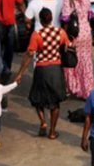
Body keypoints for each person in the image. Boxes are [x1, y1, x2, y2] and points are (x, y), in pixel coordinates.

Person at [15, 8, 69, 139]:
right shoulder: (60, 32)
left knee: (37, 98)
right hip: (56, 69)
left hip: (42, 69)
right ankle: (52, 131)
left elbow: (29, 54)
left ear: (40, 19)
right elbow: (67, 46)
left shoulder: (36, 35)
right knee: (55, 102)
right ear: (51, 18)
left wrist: (20, 72)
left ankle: (43, 122)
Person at [61, 0, 94, 99]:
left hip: (74, 35)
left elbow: (65, 19)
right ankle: (88, 89)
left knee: (72, 60)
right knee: (86, 61)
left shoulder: (67, 0)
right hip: (86, 34)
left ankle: (74, 88)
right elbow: (90, 16)